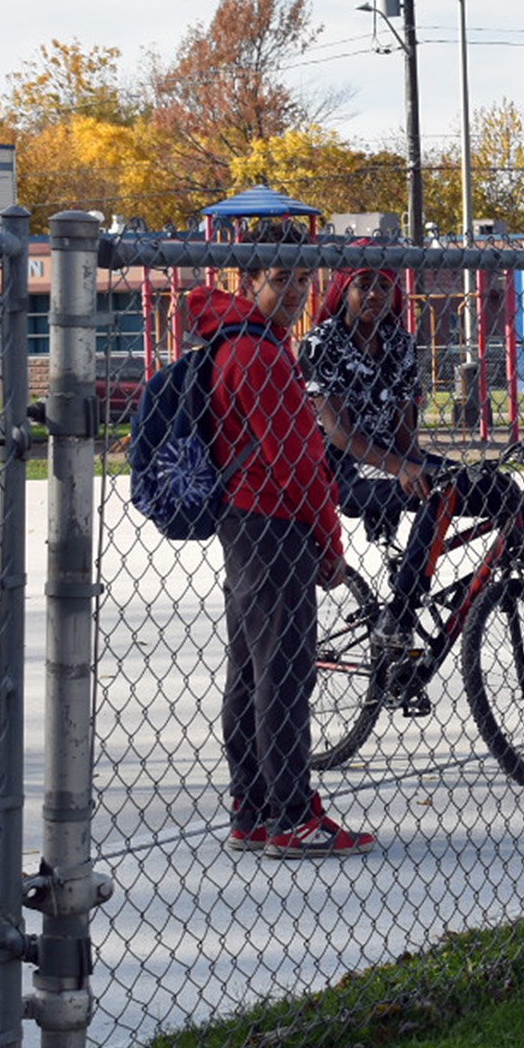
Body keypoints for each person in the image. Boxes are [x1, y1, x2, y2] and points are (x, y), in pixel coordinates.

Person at [299, 263, 524, 665]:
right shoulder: (323, 342)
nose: (373, 295)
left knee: (500, 488)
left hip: (396, 457)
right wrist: (403, 469)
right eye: (363, 285)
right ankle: (397, 619)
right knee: (436, 488)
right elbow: (339, 431)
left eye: (383, 287)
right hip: (343, 464)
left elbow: (406, 433)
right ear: (343, 289)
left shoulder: (400, 344)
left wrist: (418, 465)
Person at [188, 219, 375, 860]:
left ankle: (253, 807)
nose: (295, 291)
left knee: (251, 668)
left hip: (244, 522)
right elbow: (299, 464)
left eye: (303, 278)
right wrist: (331, 543)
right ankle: (292, 815)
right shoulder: (261, 355)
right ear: (248, 278)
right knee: (285, 673)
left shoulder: (233, 339)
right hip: (276, 523)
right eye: (280, 278)